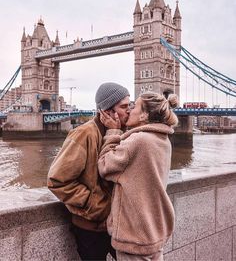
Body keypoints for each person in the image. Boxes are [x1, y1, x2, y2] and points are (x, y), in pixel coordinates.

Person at [47, 82, 130, 261]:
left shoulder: (124, 135)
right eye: (124, 106)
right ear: (107, 111)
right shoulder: (84, 134)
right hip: (91, 228)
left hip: (119, 226)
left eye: (129, 105)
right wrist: (95, 205)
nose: (129, 110)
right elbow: (57, 180)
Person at [98, 92, 178, 261]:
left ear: (145, 115)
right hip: (154, 231)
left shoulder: (138, 141)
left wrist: (113, 132)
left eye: (134, 106)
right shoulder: (162, 139)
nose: (130, 110)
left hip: (135, 236)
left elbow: (104, 166)